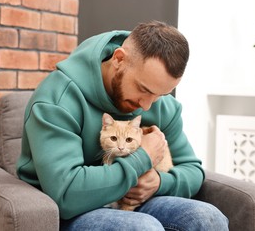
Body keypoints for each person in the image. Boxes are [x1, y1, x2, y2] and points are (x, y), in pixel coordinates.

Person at [16, 20, 229, 230]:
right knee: (142, 228)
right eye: (143, 89)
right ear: (119, 59)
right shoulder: (56, 99)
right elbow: (66, 193)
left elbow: (192, 170)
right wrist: (142, 157)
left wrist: (158, 183)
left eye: (159, 95)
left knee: (208, 218)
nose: (146, 106)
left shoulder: (162, 106)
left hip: (137, 202)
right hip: (72, 210)